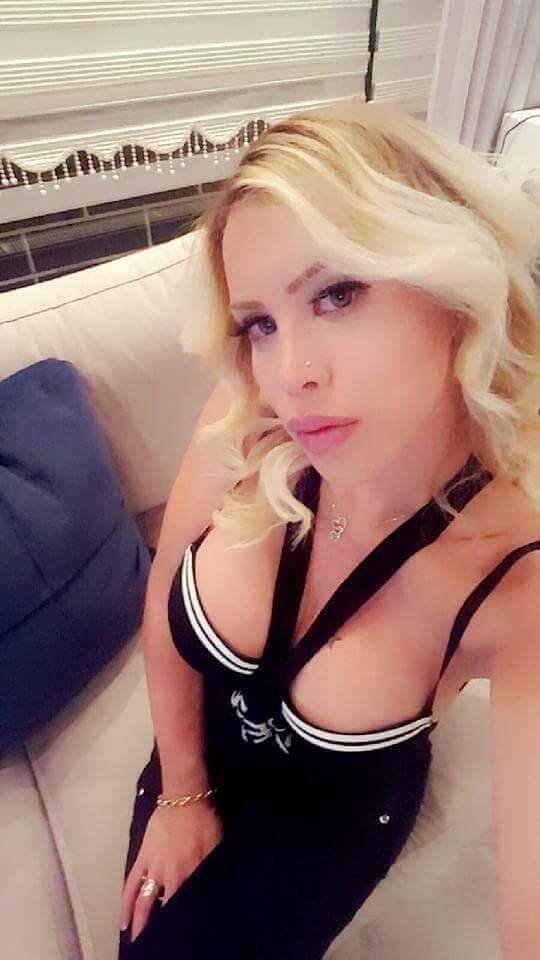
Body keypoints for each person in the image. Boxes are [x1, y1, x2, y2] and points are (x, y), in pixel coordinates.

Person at [118, 100, 540, 959]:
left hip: (323, 839)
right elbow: (165, 596)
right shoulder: (248, 416)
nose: (291, 374)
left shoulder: (516, 576)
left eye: (338, 294)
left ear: (454, 287)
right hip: (183, 773)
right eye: (260, 324)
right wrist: (181, 793)